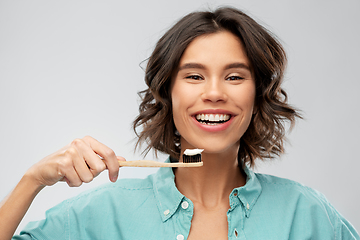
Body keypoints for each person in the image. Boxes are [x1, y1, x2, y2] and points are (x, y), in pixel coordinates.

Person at [1, 6, 359, 240]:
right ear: (167, 92)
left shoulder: (308, 216)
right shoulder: (99, 217)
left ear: (257, 95)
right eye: (194, 77)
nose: (215, 93)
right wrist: (32, 180)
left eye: (235, 77)